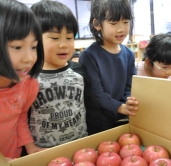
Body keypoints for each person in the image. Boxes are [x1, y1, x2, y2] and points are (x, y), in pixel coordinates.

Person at [29, 0, 103, 148]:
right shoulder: (28, 77)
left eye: (69, 37)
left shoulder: (78, 71)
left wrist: (98, 140)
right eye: (55, 38)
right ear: (33, 39)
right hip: (43, 152)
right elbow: (20, 119)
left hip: (81, 147)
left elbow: (92, 109)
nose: (64, 44)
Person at [0, 0, 45, 160]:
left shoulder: (29, 85)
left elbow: (20, 117)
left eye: (34, 47)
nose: (29, 58)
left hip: (13, 157)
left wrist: (30, 146)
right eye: (17, 47)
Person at [79, 0, 139, 130]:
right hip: (100, 121)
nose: (121, 29)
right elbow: (96, 92)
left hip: (124, 116)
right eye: (113, 23)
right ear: (97, 24)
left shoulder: (128, 54)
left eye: (126, 22)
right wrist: (120, 107)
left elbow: (131, 84)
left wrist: (127, 103)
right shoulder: (89, 56)